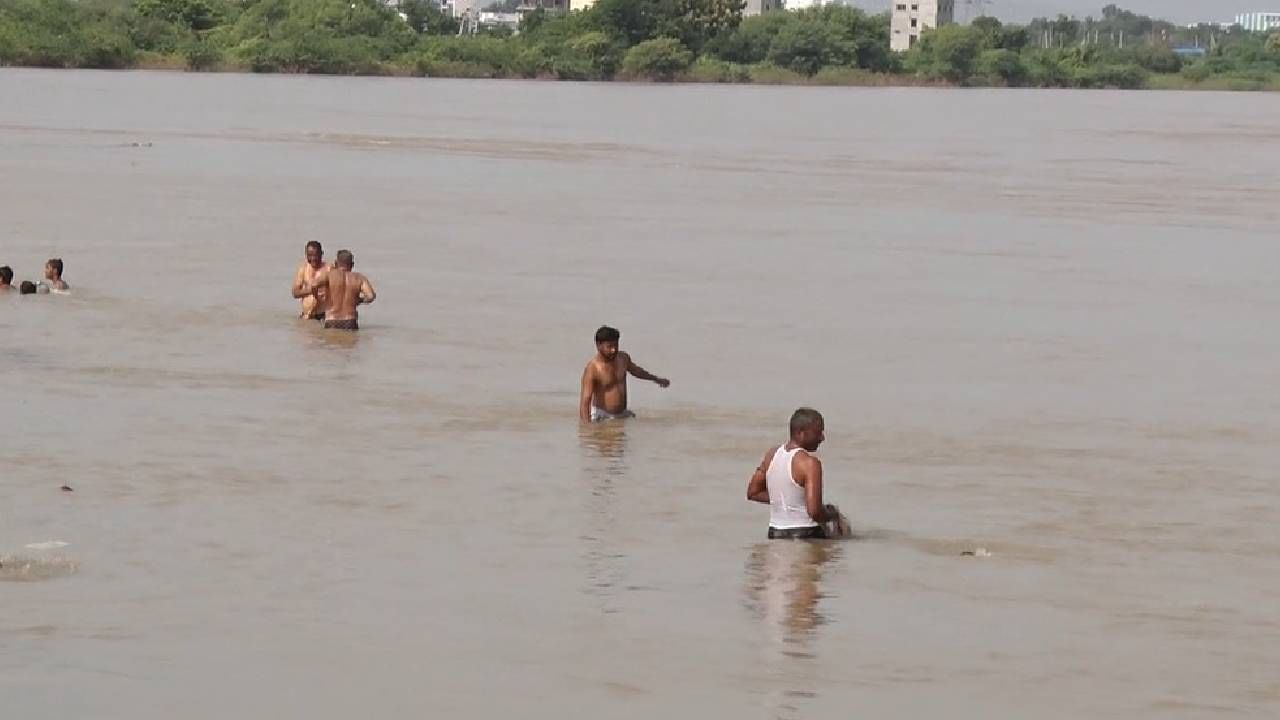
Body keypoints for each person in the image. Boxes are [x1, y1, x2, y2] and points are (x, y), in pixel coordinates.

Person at [746, 408, 846, 539]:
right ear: (801, 433)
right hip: (806, 533)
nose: (822, 438)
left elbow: (753, 493)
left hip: (775, 532)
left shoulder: (771, 455)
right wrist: (832, 514)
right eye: (818, 432)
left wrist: (788, 501)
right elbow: (814, 512)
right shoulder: (810, 463)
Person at [579, 325, 670, 422]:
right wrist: (587, 428)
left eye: (616, 345)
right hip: (602, 416)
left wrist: (656, 379)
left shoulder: (623, 358)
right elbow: (585, 401)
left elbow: (637, 371)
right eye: (609, 347)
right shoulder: (592, 369)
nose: (613, 350)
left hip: (622, 414)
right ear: (598, 345)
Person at [304, 249, 374, 331]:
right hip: (350, 320)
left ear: (336, 263)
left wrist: (319, 298)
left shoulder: (330, 275)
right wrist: (359, 300)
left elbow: (314, 285)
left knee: (331, 342)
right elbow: (371, 296)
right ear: (352, 264)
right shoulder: (359, 278)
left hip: (332, 319)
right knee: (350, 342)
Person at [291, 241, 329, 320]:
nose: (313, 259)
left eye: (315, 255)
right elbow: (295, 293)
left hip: (323, 316)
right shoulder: (303, 269)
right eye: (310, 255)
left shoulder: (329, 269)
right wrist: (311, 291)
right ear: (306, 255)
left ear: (321, 253)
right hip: (306, 316)